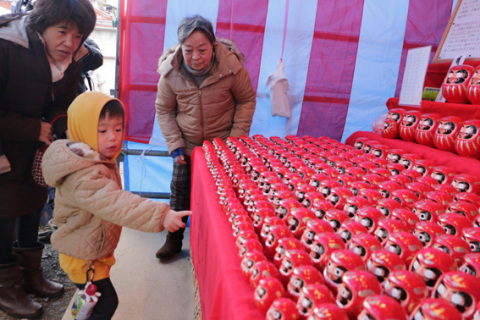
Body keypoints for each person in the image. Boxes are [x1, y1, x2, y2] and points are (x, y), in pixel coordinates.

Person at [42, 91, 192, 319]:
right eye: (102, 130)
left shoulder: (94, 160)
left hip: (91, 250)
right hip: (83, 257)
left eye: (118, 129)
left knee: (90, 306)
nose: (112, 137)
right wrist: (160, 215)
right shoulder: (84, 175)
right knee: (104, 304)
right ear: (81, 128)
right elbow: (117, 203)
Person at [0, 0, 97, 318]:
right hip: (5, 145)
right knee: (5, 212)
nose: (70, 43)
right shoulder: (7, 46)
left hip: (38, 146)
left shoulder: (75, 58)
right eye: (63, 31)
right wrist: (33, 128)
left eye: (79, 35)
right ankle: (5, 288)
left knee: (33, 203)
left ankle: (31, 276)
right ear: (42, 26)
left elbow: (66, 101)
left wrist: (59, 125)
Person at [155, 15, 256, 261]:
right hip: (187, 147)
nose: (196, 57)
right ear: (181, 47)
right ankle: (174, 240)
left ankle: (218, 246)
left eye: (202, 49)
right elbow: (164, 109)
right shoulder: (170, 72)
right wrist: (175, 144)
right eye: (189, 50)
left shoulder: (232, 67)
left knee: (221, 197)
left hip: (221, 146)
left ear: (213, 45)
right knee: (179, 193)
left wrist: (234, 140)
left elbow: (246, 100)